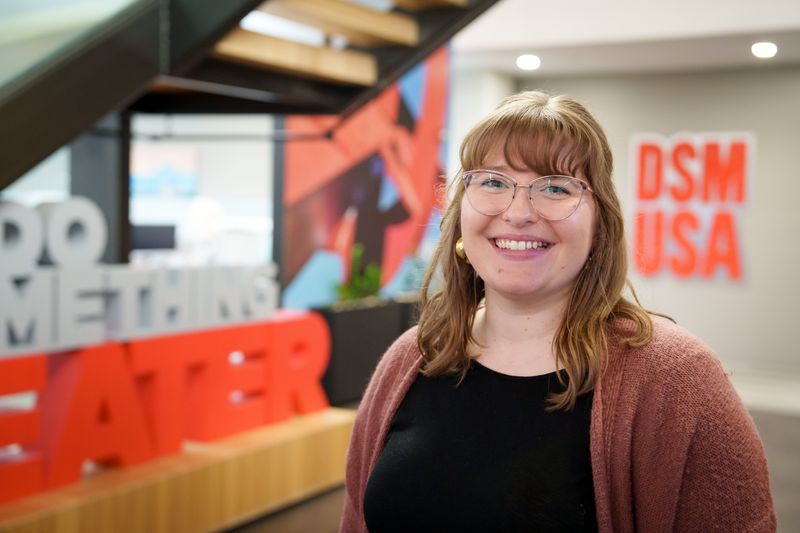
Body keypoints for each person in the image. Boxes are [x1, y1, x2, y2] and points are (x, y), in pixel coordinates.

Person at [339, 91, 776, 532]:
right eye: (493, 181)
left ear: (599, 224)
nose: (518, 213)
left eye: (555, 187)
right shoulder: (411, 358)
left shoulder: (677, 378)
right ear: (460, 213)